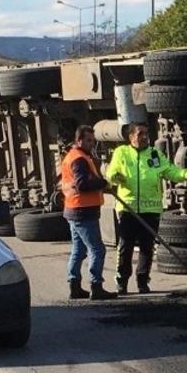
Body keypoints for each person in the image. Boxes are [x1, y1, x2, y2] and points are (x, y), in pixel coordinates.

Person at [104, 123, 187, 294]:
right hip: (128, 208)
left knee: (146, 247)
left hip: (151, 208)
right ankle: (122, 280)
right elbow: (111, 173)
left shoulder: (154, 154)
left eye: (146, 133)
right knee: (125, 246)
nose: (144, 136)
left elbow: (169, 171)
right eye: (140, 133)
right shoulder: (122, 152)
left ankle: (143, 281)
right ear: (131, 137)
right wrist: (115, 177)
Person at [60, 125, 116, 301]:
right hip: (82, 210)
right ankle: (96, 285)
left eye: (93, 140)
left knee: (78, 249)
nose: (92, 144)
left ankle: (74, 286)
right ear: (79, 141)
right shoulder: (79, 159)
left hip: (74, 209)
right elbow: (83, 184)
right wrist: (103, 184)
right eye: (89, 140)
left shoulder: (76, 156)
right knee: (97, 249)